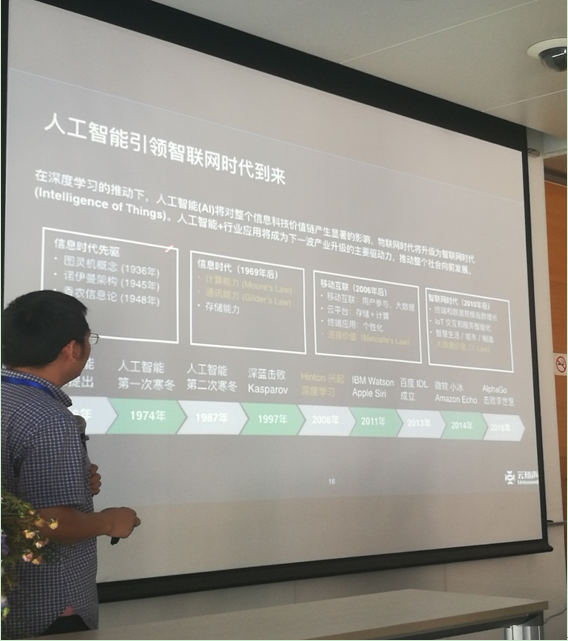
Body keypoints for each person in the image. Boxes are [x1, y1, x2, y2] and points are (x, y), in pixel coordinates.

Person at [1, 291, 141, 639]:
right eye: (89, 339)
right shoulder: (48, 417)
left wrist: (73, 480)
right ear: (72, 349)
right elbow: (50, 522)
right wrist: (112, 521)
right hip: (45, 607)